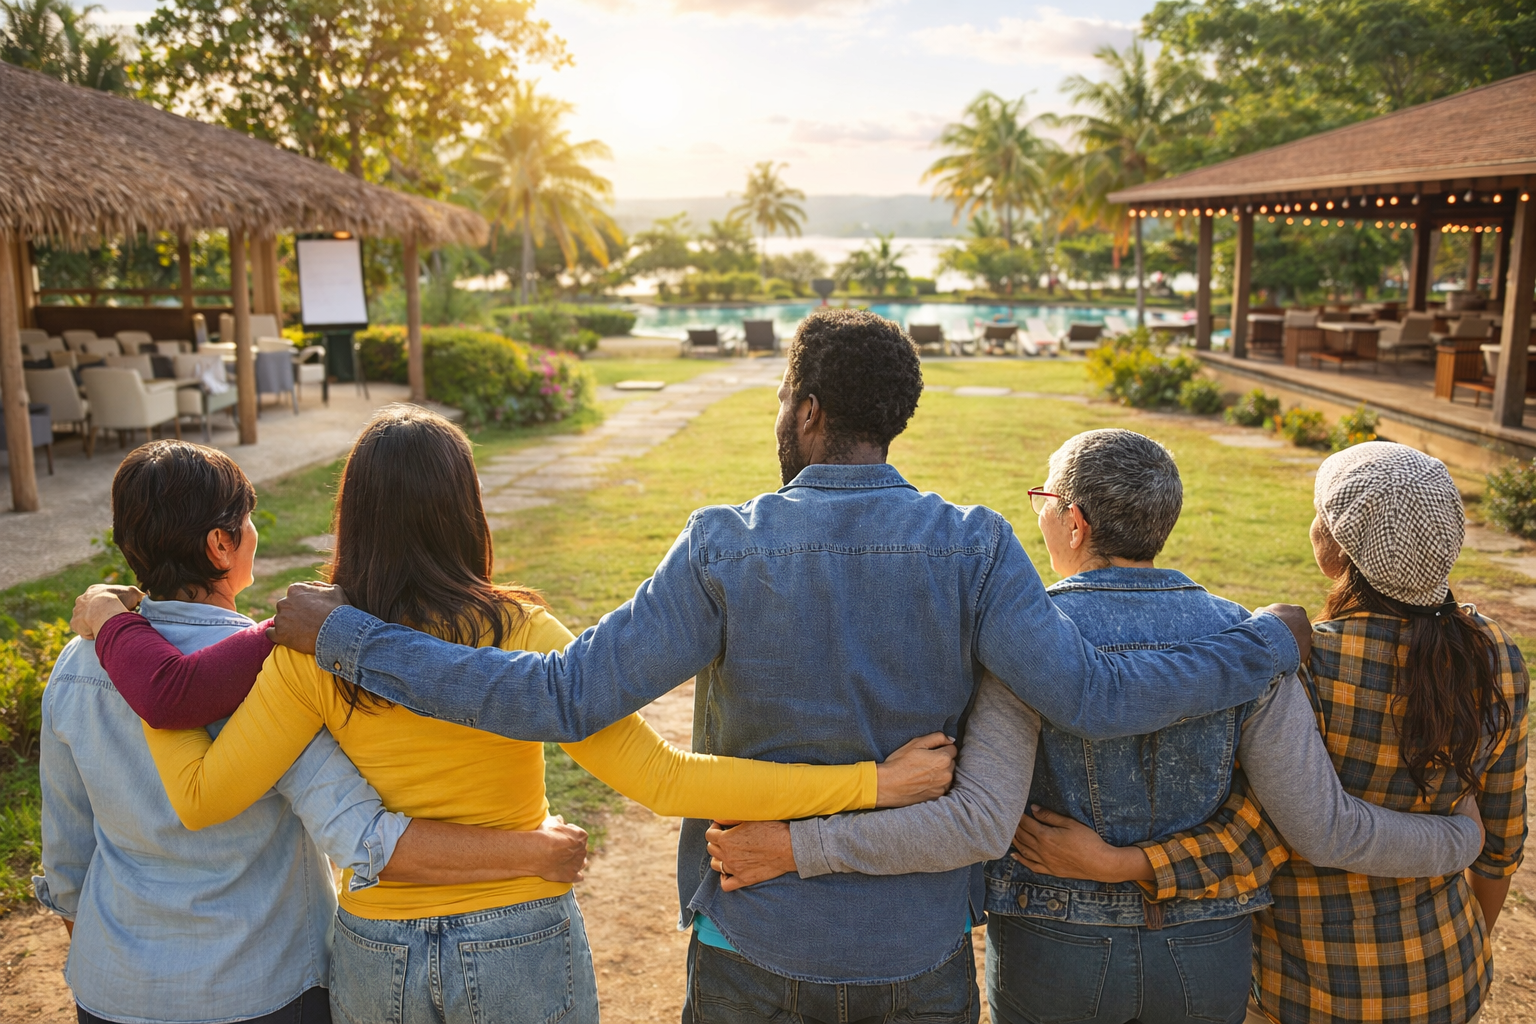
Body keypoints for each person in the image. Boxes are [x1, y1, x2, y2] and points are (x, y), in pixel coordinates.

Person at [259, 309, 1315, 1022]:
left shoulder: (727, 542)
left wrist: (348, 635)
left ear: (808, 410)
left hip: (751, 934)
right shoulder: (977, 544)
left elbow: (559, 695)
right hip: (918, 946)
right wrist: (1261, 642)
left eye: (782, 400)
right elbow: (1093, 695)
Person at [75, 406, 954, 1024]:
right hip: (519, 935)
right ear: (466, 508)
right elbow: (665, 780)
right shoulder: (521, 630)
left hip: (379, 947)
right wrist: (872, 782)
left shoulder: (314, 645)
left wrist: (128, 634)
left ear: (354, 511)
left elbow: (198, 795)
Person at [704, 429, 1486, 1024]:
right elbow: (1317, 822)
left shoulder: (1028, 639)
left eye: (1042, 502)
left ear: (1073, 522)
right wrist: (1459, 840)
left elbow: (978, 819)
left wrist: (801, 845)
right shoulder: (1249, 643)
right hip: (1205, 949)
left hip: (1058, 949)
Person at [38, 440, 591, 1024]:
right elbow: (365, 837)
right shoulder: (270, 676)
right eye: (246, 522)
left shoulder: (76, 668)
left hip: (109, 988)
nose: (253, 534)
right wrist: (535, 850)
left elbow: (67, 853)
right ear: (220, 545)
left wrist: (108, 958)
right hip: (259, 987)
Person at [1015, 441, 1527, 1024]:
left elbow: (1252, 840)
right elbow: (1503, 842)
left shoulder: (1302, 664)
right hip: (1449, 970)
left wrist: (1122, 863)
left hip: (1307, 985)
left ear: (1334, 550)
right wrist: (1469, 932)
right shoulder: (1495, 655)